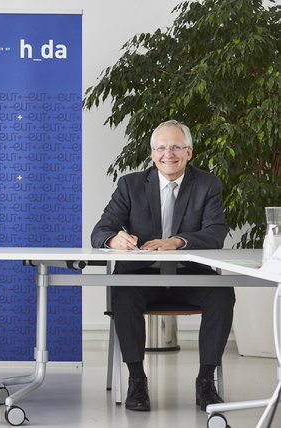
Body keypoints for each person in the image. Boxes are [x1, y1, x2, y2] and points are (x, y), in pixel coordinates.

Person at [91, 120, 234, 412]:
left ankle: (206, 382)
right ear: (152, 153)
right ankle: (137, 380)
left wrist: (177, 242)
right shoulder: (130, 184)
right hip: (142, 277)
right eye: (161, 147)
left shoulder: (208, 184)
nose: (168, 154)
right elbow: (100, 231)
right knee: (124, 294)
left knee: (222, 294)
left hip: (190, 276)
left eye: (176, 147)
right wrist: (113, 240)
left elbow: (216, 233)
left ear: (189, 152)